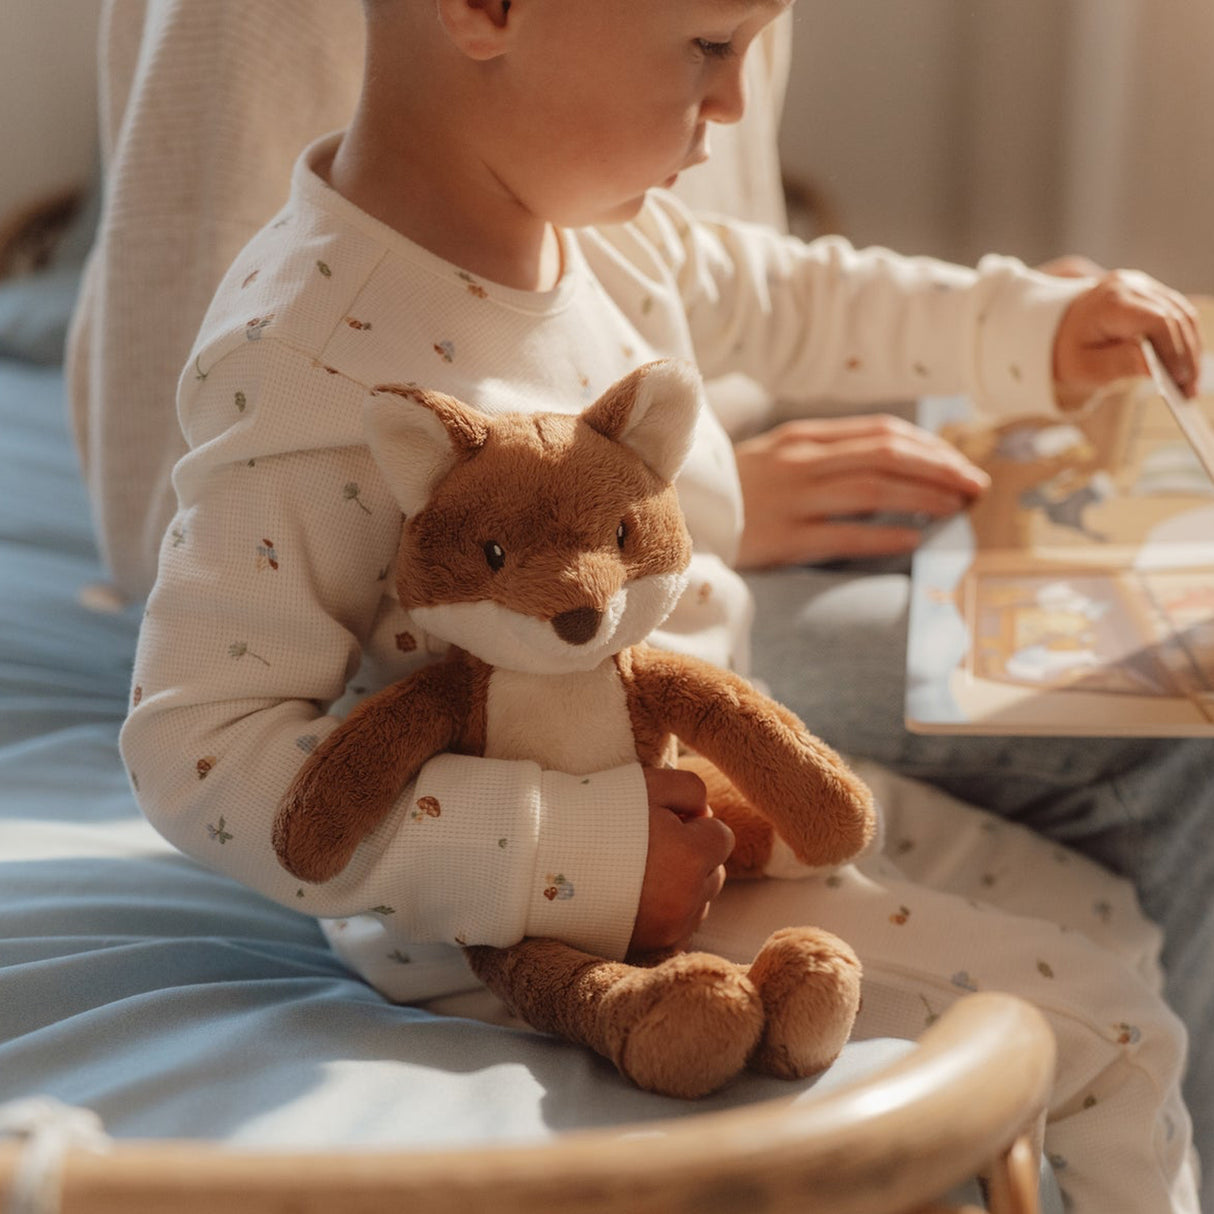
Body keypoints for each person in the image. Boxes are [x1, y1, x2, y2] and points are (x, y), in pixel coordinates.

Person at [81, 1, 1206, 1208]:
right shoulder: (310, 361)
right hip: (543, 928)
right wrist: (589, 854)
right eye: (710, 48)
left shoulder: (580, 234)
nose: (731, 102)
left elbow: (788, 294)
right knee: (1120, 1040)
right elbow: (200, 750)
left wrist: (1034, 329)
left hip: (704, 790)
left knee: (1110, 918)